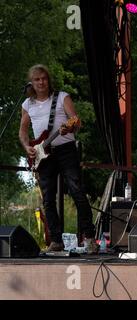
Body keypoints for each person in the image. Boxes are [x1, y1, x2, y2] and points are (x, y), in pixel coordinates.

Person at [19, 64, 98, 254]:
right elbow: (22, 130)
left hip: (65, 150)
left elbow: (76, 121)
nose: (41, 82)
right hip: (42, 154)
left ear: (48, 80)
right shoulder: (27, 104)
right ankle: (56, 240)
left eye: (44, 78)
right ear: (32, 82)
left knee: (77, 191)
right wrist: (27, 146)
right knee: (48, 199)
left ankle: (89, 238)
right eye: (37, 79)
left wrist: (69, 127)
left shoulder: (62, 97)